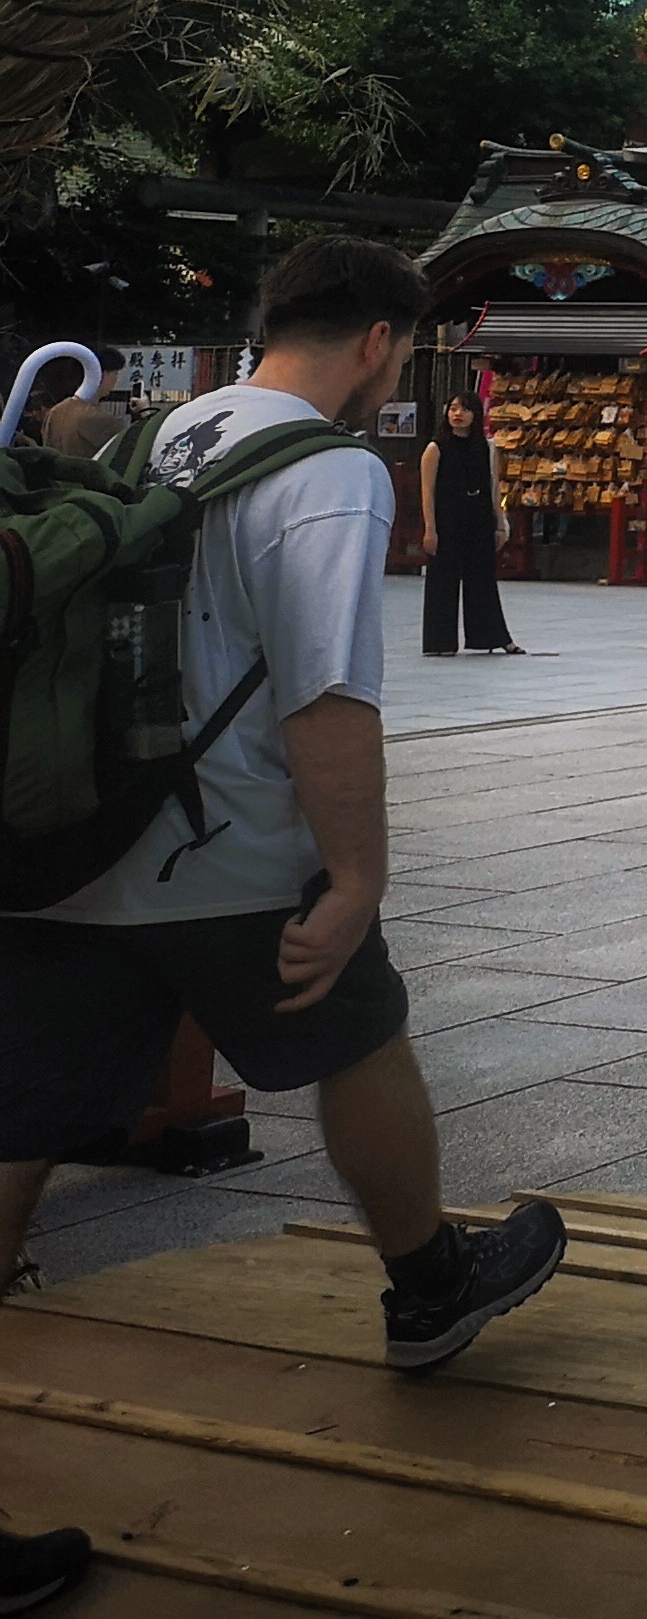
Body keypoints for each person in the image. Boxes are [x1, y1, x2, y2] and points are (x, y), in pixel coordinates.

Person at [0, 236, 569, 1367]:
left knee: (23, 1105)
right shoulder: (329, 471)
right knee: (362, 1037)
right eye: (400, 354)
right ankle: (430, 1288)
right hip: (227, 851)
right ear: (376, 342)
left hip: (74, 828)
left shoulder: (153, 435)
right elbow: (325, 695)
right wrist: (356, 878)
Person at [418, 391, 520, 657]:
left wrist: (500, 524)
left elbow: (493, 487)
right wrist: (430, 529)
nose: (457, 414)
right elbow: (427, 492)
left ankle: (493, 636)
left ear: (475, 414)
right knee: (443, 580)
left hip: (479, 520)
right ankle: (439, 642)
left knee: (483, 580)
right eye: (453, 408)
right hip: (447, 522)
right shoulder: (435, 449)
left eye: (464, 409)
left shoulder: (486, 448)